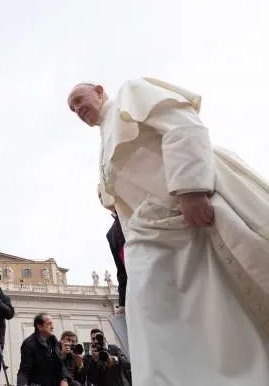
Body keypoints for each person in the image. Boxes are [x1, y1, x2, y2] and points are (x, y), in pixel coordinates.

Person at [67, 78, 269, 385]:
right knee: (153, 317)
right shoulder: (102, 144)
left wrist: (191, 188)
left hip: (192, 212)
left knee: (222, 306)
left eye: (80, 100)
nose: (78, 109)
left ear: (99, 90)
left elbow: (184, 126)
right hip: (153, 235)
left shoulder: (131, 93)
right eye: (72, 109)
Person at [16, 313, 69, 386]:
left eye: (52, 324)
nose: (52, 327)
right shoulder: (28, 344)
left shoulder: (53, 340)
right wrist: (22, 384)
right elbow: (24, 370)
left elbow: (60, 363)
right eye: (49, 324)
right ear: (39, 326)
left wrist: (64, 379)